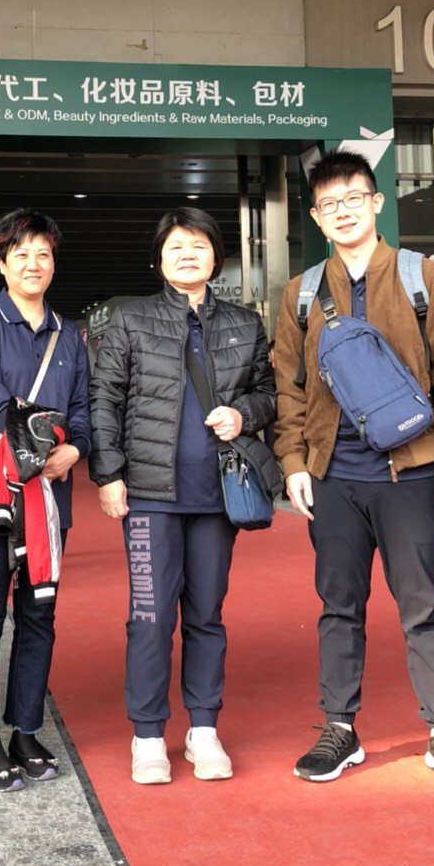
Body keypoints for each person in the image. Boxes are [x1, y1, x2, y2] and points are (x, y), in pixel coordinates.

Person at [273, 150, 434, 792]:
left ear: (376, 203)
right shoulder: (302, 292)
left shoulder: (424, 277)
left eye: (352, 199)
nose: (342, 212)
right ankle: (339, 727)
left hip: (411, 471)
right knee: (338, 605)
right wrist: (294, 462)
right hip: (333, 475)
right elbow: (289, 387)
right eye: (329, 204)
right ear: (316, 217)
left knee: (422, 604)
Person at [89, 208, 278, 785]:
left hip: (217, 496)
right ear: (159, 259)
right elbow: (105, 397)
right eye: (176, 246)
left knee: (206, 615)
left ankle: (203, 729)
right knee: (149, 618)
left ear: (216, 257)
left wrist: (243, 414)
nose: (188, 254)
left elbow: (268, 393)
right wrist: (109, 473)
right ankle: (148, 734)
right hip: (150, 496)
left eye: (198, 245)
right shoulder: (132, 320)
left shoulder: (244, 323)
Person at [0, 209, 91, 790]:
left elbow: (83, 409)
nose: (34, 264)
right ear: (2, 262)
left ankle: (26, 729)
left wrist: (74, 449)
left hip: (52, 495)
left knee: (40, 614)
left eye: (43, 254)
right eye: (22, 254)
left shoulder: (70, 334)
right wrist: (48, 443)